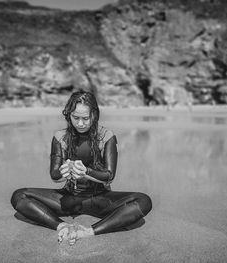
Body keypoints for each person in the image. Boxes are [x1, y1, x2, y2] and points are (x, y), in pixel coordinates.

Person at [11, 91, 152, 245]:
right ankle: (61, 226)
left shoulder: (106, 136)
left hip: (99, 199)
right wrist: (64, 173)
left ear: (94, 115)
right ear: (68, 115)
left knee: (144, 201)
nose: (80, 123)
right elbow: (54, 174)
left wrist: (86, 172)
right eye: (75, 118)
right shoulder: (60, 137)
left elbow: (109, 175)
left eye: (85, 118)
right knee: (19, 196)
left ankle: (89, 231)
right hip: (68, 198)